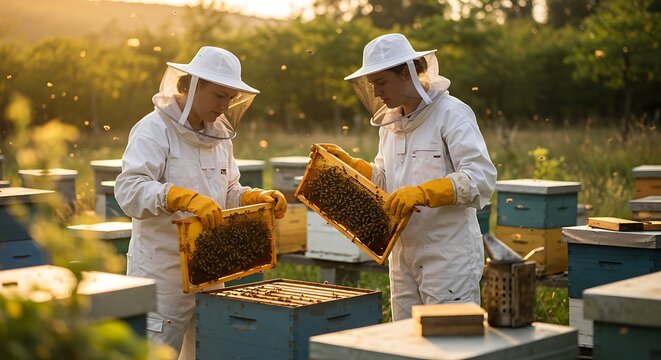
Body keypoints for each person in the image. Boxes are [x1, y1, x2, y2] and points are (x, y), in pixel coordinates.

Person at [115, 46, 287, 359]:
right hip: (162, 274)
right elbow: (129, 190)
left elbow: (228, 189)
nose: (224, 106)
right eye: (219, 95)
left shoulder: (219, 137)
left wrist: (253, 197)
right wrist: (178, 196)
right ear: (190, 85)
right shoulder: (153, 129)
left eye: (230, 98)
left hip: (211, 270)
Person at [319, 33, 496, 320]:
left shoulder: (452, 114)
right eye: (372, 85)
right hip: (401, 253)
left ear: (407, 72)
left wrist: (425, 192)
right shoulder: (390, 124)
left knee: (449, 344)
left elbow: (480, 177)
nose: (376, 93)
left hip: (448, 255)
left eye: (381, 83)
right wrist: (352, 166)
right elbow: (385, 181)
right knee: (405, 341)